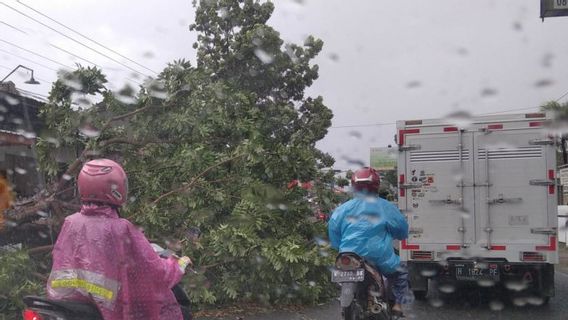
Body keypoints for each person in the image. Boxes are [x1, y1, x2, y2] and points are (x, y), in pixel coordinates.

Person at [47, 159, 192, 320]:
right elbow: (155, 271)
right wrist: (177, 266)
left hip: (71, 303)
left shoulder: (71, 222)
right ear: (117, 188)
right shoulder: (121, 228)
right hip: (109, 309)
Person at [328, 167, 411, 318]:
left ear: (354, 186)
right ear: (376, 185)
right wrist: (397, 234)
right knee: (401, 270)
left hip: (348, 255)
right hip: (379, 256)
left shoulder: (342, 208)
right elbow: (402, 230)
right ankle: (398, 306)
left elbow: (333, 234)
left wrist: (339, 246)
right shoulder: (385, 206)